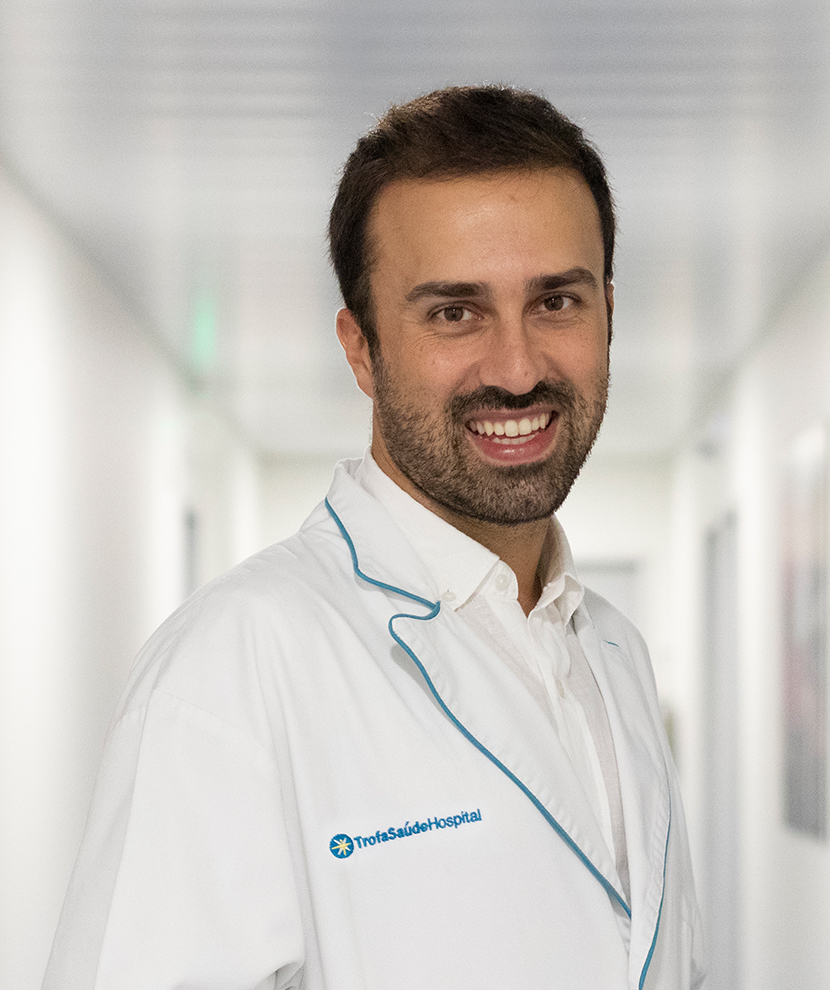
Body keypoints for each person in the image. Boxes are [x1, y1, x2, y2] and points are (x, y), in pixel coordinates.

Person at [43, 85, 704, 989]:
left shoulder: (615, 654)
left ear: (609, 313)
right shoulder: (232, 669)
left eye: (556, 301)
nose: (517, 370)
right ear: (360, 349)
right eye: (454, 312)